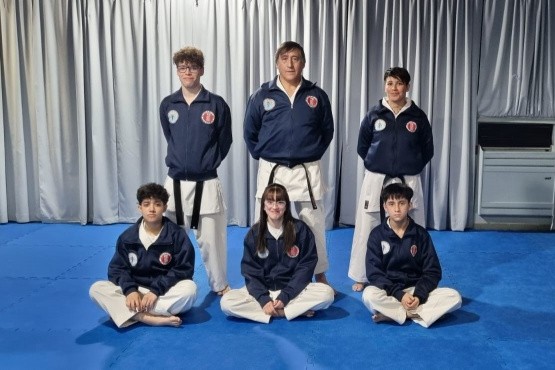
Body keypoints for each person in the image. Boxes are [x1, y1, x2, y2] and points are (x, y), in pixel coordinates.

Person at [243, 41, 334, 288]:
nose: (290, 63)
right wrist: (266, 154)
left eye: (296, 58)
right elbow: (250, 132)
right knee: (264, 221)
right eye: (285, 58)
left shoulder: (316, 95)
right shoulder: (262, 95)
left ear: (303, 63)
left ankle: (319, 274)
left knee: (313, 222)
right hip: (273, 168)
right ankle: (260, 274)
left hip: (306, 168)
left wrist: (310, 152)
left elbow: (327, 132)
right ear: (277, 62)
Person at [348, 67, 434, 292]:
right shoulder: (374, 114)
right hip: (377, 177)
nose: (394, 88)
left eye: (398, 83)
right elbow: (362, 146)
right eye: (389, 83)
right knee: (368, 224)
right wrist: (378, 163)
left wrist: (411, 165)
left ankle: (416, 275)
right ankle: (361, 274)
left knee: (414, 226)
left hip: (408, 178)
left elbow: (427, 149)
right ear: (384, 86)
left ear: (407, 86)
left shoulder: (417, 116)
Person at [159, 46, 232, 295]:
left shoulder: (216, 104)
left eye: (192, 67)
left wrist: (206, 162)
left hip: (207, 181)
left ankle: (219, 285)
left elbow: (225, 142)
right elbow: (170, 137)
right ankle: (175, 282)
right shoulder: (169, 104)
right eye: (182, 67)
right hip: (175, 182)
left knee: (212, 240)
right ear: (177, 71)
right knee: (172, 238)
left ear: (201, 70)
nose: (187, 71)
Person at [220, 183, 335, 323]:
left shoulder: (300, 230)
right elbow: (250, 272)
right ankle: (286, 312)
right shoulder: (254, 234)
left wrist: (286, 295)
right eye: (270, 202)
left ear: (286, 206)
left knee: (327, 294)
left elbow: (306, 267)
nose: (275, 207)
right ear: (263, 205)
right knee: (226, 302)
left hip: (293, 291)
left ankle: (276, 311)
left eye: (280, 202)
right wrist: (263, 299)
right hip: (264, 290)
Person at [89, 183, 197, 328]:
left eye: (157, 204)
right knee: (96, 289)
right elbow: (117, 269)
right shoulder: (127, 237)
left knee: (190, 290)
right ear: (140, 207)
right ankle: (146, 317)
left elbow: (183, 270)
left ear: (164, 207)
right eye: (146, 204)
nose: (152, 209)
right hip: (136, 291)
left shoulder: (177, 235)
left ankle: (127, 312)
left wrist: (155, 291)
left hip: (162, 292)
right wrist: (130, 291)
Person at [362, 183, 461, 328]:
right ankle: (419, 314)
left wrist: (419, 296)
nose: (397, 209)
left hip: (416, 291)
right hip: (390, 292)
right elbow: (374, 273)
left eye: (402, 203)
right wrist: (399, 295)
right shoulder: (377, 235)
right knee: (368, 295)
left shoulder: (421, 234)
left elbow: (433, 271)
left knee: (454, 296)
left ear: (409, 205)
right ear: (385, 207)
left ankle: (399, 315)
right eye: (391, 204)